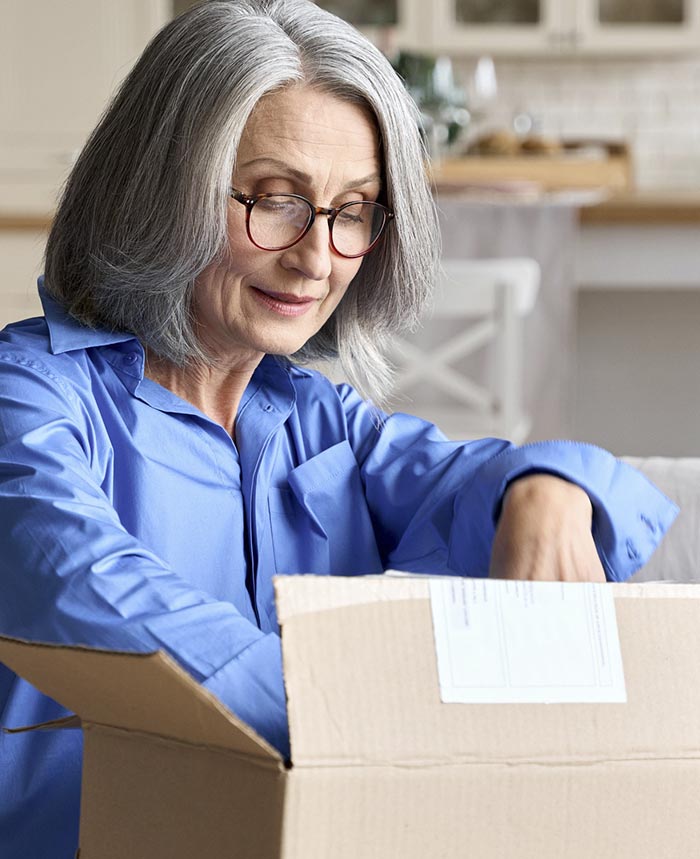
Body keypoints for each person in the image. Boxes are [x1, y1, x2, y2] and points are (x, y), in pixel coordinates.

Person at [0, 1, 677, 857]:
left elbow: (482, 483)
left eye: (353, 210)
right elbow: (78, 581)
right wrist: (360, 727)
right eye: (277, 201)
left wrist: (548, 488)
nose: (317, 257)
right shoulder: (29, 397)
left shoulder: (321, 421)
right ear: (159, 188)